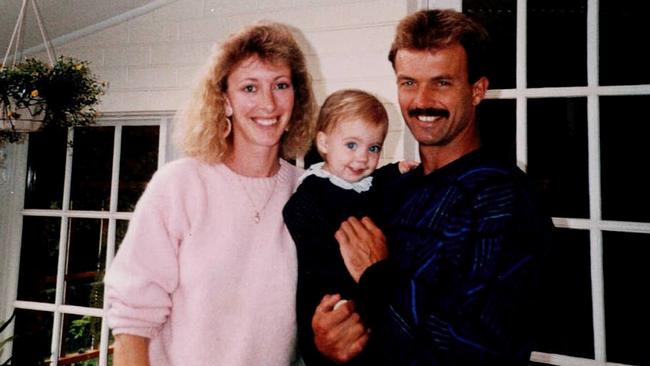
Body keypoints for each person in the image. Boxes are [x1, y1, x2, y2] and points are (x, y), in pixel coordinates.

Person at [311, 9, 553, 366]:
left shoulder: (504, 201)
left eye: (442, 82)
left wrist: (377, 278)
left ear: (477, 90)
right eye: (409, 82)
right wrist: (332, 339)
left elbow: (480, 351)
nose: (422, 100)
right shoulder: (391, 191)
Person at [104, 21, 316, 366]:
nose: (268, 103)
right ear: (225, 101)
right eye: (250, 87)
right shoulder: (181, 185)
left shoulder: (308, 193)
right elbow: (132, 319)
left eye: (281, 85)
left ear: (297, 98)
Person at [283, 89, 417, 366]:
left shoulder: (369, 183)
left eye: (373, 148)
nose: (362, 158)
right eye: (351, 145)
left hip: (366, 292)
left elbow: (380, 180)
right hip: (327, 295)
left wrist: (398, 170)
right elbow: (296, 218)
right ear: (324, 143)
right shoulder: (313, 192)